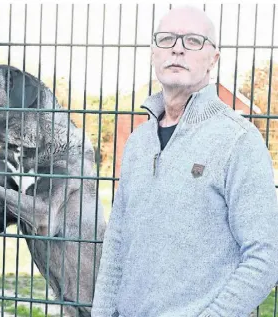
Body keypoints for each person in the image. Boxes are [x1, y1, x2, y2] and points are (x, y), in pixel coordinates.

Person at [92, 6, 278, 317]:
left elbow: (267, 255)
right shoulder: (139, 142)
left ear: (213, 59)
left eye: (193, 40)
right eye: (166, 39)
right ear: (154, 53)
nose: (177, 48)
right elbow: (117, 244)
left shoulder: (238, 141)